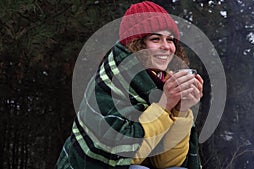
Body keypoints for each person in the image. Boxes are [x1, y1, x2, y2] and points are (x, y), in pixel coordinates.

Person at [56, 1, 204, 169]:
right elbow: (122, 157)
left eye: (170, 40)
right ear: (137, 44)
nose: (166, 47)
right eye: (156, 39)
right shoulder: (111, 82)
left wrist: (182, 109)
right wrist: (164, 105)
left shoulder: (163, 82)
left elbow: (168, 163)